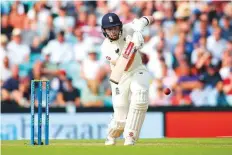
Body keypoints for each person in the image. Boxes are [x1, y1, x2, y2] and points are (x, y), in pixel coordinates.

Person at [101, 13, 154, 145]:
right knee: (120, 113)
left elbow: (150, 18)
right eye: (109, 29)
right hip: (120, 75)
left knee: (140, 96)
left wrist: (141, 25)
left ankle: (130, 135)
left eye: (115, 28)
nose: (113, 32)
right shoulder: (106, 47)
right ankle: (111, 135)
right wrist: (134, 47)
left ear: (120, 26)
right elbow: (125, 66)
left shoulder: (129, 28)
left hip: (137, 70)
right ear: (104, 30)